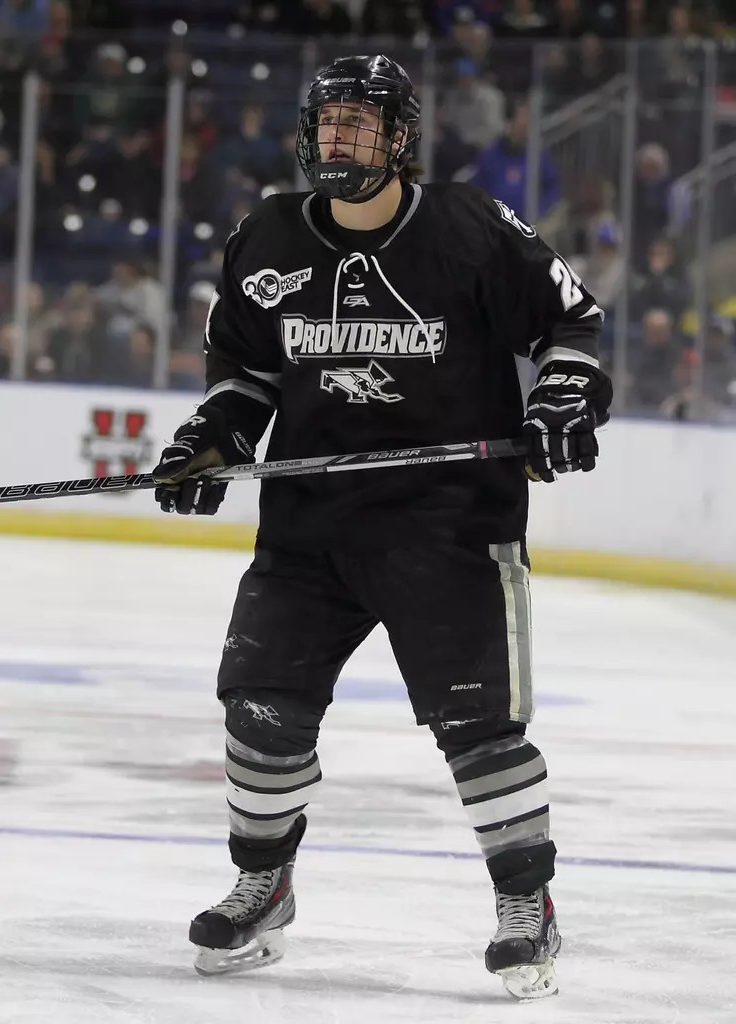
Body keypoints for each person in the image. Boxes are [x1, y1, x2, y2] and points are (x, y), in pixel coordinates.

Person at [152, 54, 612, 1000]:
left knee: (479, 730)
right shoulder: (266, 236)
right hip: (309, 529)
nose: (341, 140)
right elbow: (247, 373)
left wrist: (562, 396)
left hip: (450, 523)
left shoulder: (468, 227)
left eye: (361, 124)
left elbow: (571, 323)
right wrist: (212, 439)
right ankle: (263, 887)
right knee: (260, 713)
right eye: (329, 123)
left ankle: (525, 906)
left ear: (400, 138)